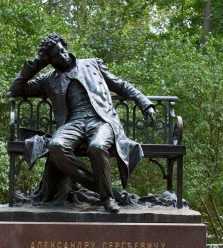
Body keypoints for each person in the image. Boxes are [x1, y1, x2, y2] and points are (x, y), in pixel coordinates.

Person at [10, 32, 155, 213]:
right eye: (55, 55)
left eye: (62, 51)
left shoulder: (92, 64)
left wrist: (145, 103)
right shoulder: (49, 79)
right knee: (56, 146)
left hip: (101, 120)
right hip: (73, 124)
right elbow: (16, 89)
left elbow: (121, 85)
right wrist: (35, 65)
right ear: (50, 60)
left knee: (97, 146)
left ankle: (108, 197)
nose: (62, 56)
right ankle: (106, 192)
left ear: (66, 47)